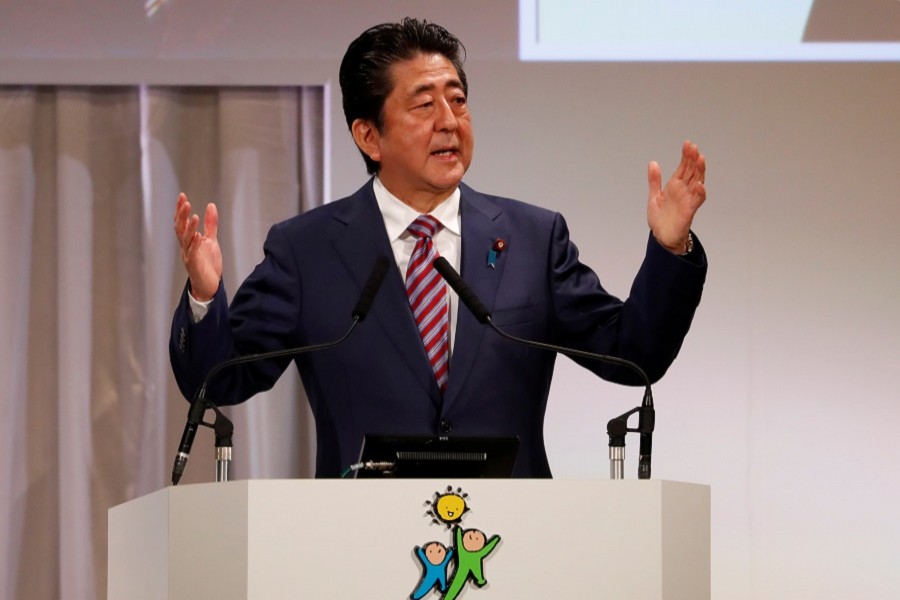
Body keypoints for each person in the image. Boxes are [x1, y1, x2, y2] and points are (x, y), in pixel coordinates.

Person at [170, 18, 708, 478]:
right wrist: (204, 295)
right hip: (356, 545)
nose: (450, 121)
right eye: (424, 105)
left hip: (512, 544)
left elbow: (633, 356)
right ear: (368, 136)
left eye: (457, 101)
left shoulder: (533, 239)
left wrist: (670, 246)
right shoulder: (307, 250)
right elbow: (220, 379)